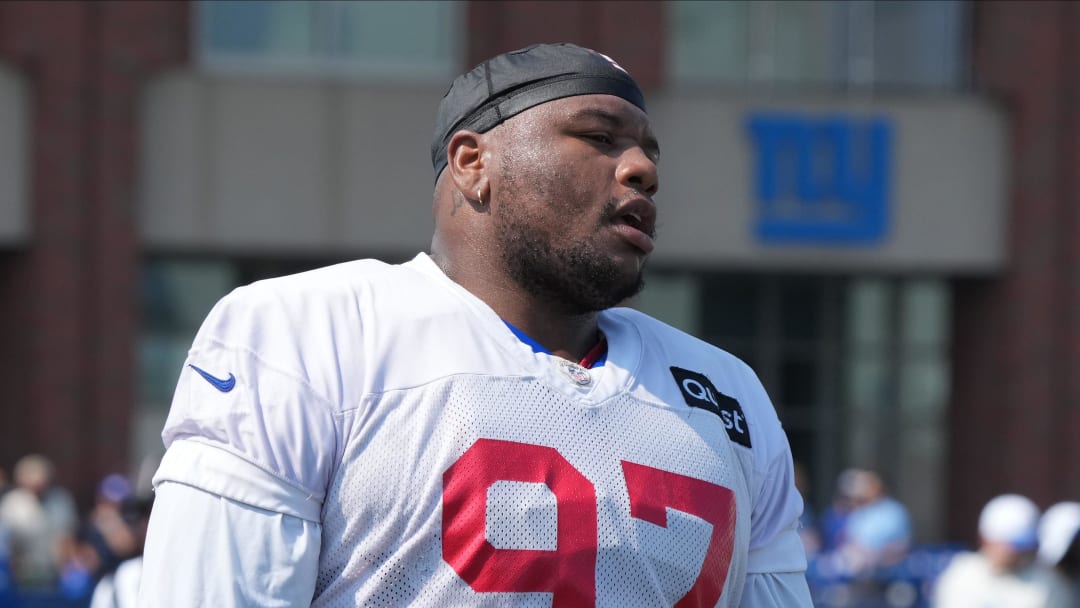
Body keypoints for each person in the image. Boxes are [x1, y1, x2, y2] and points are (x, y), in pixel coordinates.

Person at [137, 42, 813, 606]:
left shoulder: (728, 393)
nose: (641, 171)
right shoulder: (308, 331)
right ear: (472, 163)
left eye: (648, 153)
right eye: (599, 138)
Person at [933, 493, 1073, 608]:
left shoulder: (1048, 583)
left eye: (1022, 546)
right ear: (986, 540)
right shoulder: (961, 575)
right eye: (1010, 545)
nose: (1016, 553)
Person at [0, 454, 78, 590]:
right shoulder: (12, 503)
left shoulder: (60, 500)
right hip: (20, 577)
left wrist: (68, 568)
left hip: (53, 574)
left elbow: (66, 538)